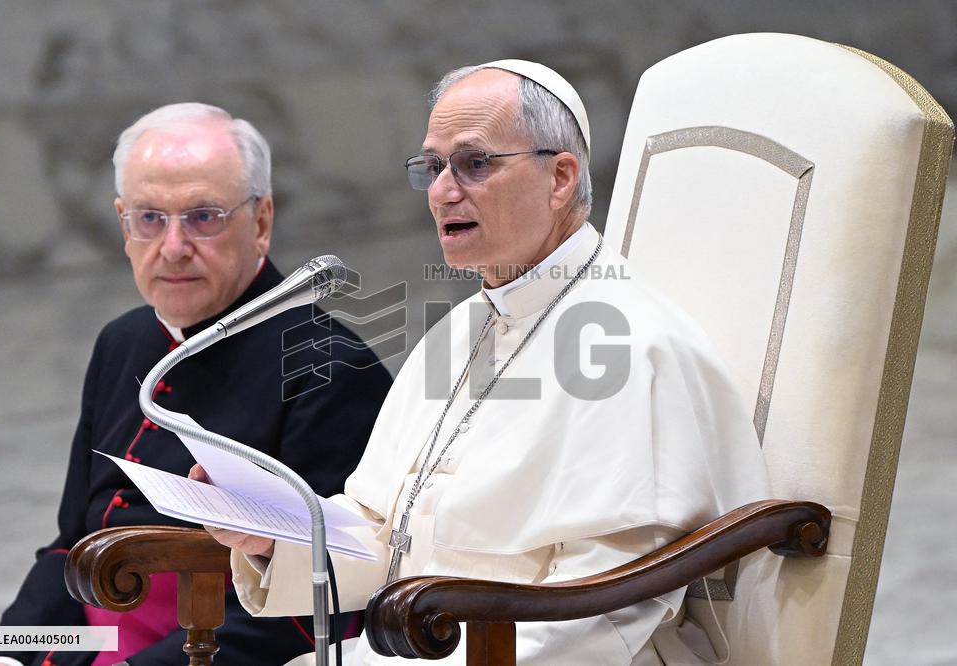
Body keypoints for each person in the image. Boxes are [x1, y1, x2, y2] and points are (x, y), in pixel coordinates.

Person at [207, 61, 771, 664]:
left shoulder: (632, 345)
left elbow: (609, 610)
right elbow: (385, 532)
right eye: (432, 167)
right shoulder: (462, 330)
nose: (444, 191)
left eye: (475, 164)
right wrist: (271, 536)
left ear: (559, 178)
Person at [0, 104, 393, 666]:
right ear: (123, 223)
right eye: (149, 219)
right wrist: (9, 654)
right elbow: (68, 544)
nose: (172, 247)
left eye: (203, 217)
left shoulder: (331, 365)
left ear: (262, 222)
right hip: (91, 644)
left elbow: (322, 600)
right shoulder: (123, 341)